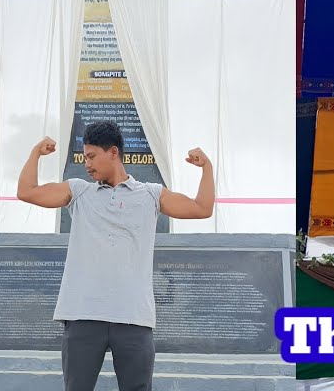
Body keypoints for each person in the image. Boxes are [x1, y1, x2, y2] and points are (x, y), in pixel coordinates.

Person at [16, 121, 213, 391]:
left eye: (91, 156)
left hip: (134, 318)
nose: (87, 163)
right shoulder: (79, 192)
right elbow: (26, 192)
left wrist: (207, 169)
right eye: (85, 157)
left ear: (113, 152)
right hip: (83, 314)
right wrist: (35, 153)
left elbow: (202, 208)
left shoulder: (151, 194)